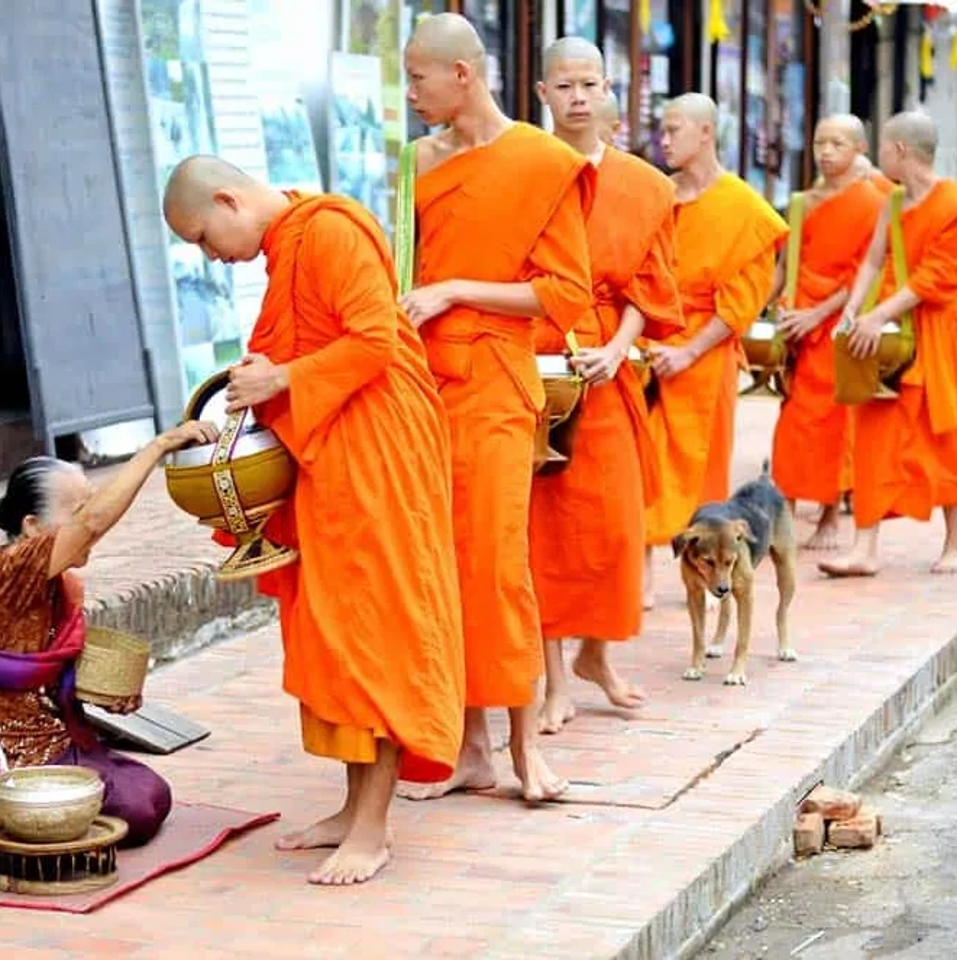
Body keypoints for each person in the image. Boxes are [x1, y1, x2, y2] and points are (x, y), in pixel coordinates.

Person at [161, 156, 466, 885]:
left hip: (379, 452)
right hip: (334, 452)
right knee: (336, 627)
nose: (212, 256)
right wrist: (266, 374)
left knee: (377, 627)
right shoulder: (288, 244)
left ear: (229, 200)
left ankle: (374, 826)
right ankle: (350, 805)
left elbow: (374, 343)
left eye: (206, 237)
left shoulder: (328, 231)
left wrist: (285, 377)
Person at [394, 13, 595, 803]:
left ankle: (523, 749)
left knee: (495, 564)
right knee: (437, 566)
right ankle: (467, 745)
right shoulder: (416, 162)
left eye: (418, 78)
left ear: (462, 76)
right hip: (423, 390)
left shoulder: (542, 163)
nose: (409, 92)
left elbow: (566, 294)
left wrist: (456, 289)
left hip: (494, 390)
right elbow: (400, 271)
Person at [0, 423, 219, 848]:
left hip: (38, 734)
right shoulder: (5, 570)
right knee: (139, 803)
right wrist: (161, 446)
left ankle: (42, 815)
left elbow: (50, 680)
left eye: (87, 507)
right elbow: (95, 524)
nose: (89, 521)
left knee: (144, 788)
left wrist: (98, 696)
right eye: (75, 512)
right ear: (33, 526)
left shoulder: (59, 583)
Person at [530, 37, 684, 734]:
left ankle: (597, 654)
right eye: (565, 86)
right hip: (534, 365)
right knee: (544, 533)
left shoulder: (647, 185)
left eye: (590, 84)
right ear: (541, 94)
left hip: (607, 366)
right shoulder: (522, 172)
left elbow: (649, 285)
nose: (579, 97)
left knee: (616, 529)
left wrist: (619, 350)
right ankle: (554, 677)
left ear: (608, 90)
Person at [819, 111, 957, 578]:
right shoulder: (895, 203)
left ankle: (955, 543)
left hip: (937, 338)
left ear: (900, 151)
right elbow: (872, 260)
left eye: (882, 147)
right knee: (873, 434)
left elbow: (938, 277)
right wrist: (853, 309)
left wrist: (878, 314)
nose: (878, 157)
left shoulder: (953, 204)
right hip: (886, 339)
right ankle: (864, 547)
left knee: (949, 437)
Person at [641, 93, 789, 609]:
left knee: (701, 469)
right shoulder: (657, 195)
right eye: (661, 130)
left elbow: (742, 301)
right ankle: (640, 569)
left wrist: (688, 352)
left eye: (674, 129)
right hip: (648, 345)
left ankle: (700, 567)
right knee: (642, 463)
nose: (664, 140)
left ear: (706, 133)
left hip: (705, 356)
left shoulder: (744, 209)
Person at [769, 114, 888, 550]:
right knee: (793, 424)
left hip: (838, 327)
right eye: (820, 142)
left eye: (838, 143)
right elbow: (786, 266)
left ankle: (830, 516)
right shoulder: (803, 202)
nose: (826, 152)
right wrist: (759, 310)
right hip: (797, 325)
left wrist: (816, 315)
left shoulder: (874, 203)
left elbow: (863, 274)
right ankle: (784, 511)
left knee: (837, 424)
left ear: (860, 150)